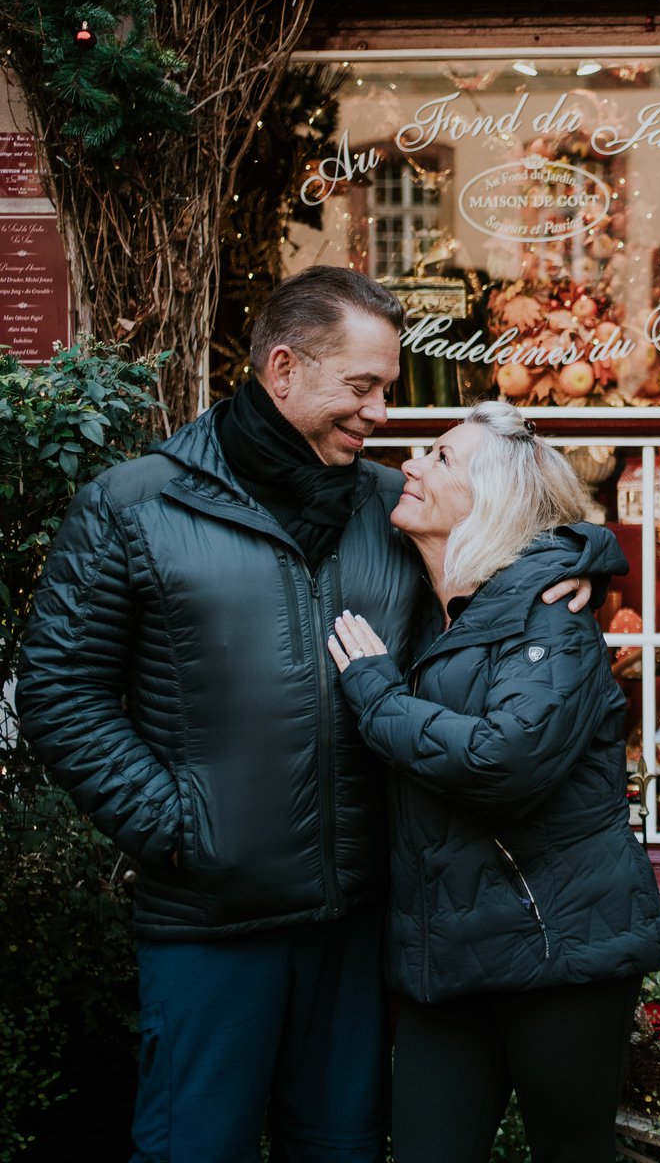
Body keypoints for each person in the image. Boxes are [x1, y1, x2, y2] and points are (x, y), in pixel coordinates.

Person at [16, 265, 590, 1163]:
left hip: (357, 923)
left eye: (389, 391)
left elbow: (513, 520)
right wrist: (179, 830)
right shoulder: (135, 505)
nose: (382, 413)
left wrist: (588, 555)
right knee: (191, 1151)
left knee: (342, 1151)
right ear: (283, 370)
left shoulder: (380, 505)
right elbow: (58, 691)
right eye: (361, 387)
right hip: (211, 921)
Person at [325, 401, 660, 1163]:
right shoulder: (434, 610)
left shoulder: (550, 619)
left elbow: (505, 759)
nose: (411, 465)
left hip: (560, 953)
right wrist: (590, 547)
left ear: (495, 500)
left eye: (442, 457)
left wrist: (377, 696)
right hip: (443, 958)